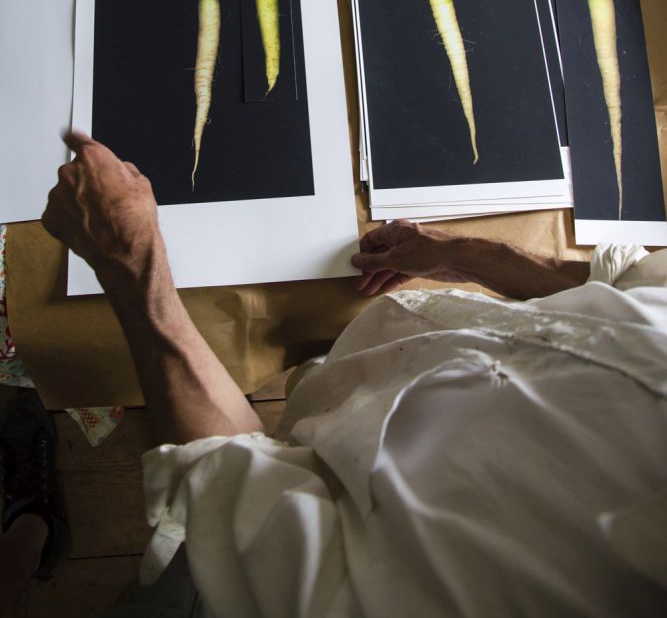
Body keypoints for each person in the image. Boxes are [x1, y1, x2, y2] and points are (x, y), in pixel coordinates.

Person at [2, 131, 667, 617]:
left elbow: (232, 483)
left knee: (190, 585)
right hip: (372, 365)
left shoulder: (538, 590)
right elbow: (632, 280)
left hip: (252, 574)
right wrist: (463, 254)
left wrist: (131, 263)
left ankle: (35, 545)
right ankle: (32, 536)